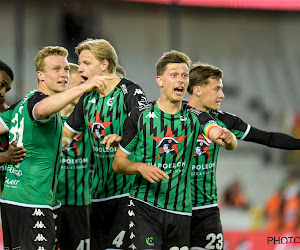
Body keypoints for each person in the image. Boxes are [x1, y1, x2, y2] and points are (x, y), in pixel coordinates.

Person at [112, 50, 237, 250]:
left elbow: (217, 135)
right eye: (174, 75)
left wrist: (227, 138)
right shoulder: (139, 116)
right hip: (144, 207)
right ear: (160, 80)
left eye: (184, 75)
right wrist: (140, 167)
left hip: (180, 212)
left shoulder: (195, 116)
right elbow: (118, 163)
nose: (180, 80)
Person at [0, 46, 109, 249]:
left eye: (66, 69)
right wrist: (84, 87)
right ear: (40, 75)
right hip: (33, 201)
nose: (64, 74)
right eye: (56, 69)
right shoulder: (37, 102)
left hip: (11, 201)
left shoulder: (20, 104)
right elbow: (41, 110)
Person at [186, 62, 300, 250]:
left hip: (207, 211)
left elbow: (268, 137)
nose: (221, 95)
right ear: (198, 90)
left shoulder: (225, 120)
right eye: (217, 89)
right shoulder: (171, 115)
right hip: (174, 210)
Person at [62, 38, 148, 249]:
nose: (79, 68)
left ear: (104, 64)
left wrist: (123, 137)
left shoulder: (130, 91)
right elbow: (65, 136)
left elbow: (147, 128)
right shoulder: (87, 98)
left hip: (129, 194)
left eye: (85, 63)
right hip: (99, 194)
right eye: (79, 62)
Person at [56, 63, 93, 249]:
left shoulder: (90, 120)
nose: (84, 90)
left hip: (81, 205)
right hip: (51, 204)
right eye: (81, 84)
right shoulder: (46, 119)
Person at [0, 60, 27, 194]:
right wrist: (4, 157)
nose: (3, 93)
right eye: (1, 85)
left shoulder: (8, 115)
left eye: (6, 89)